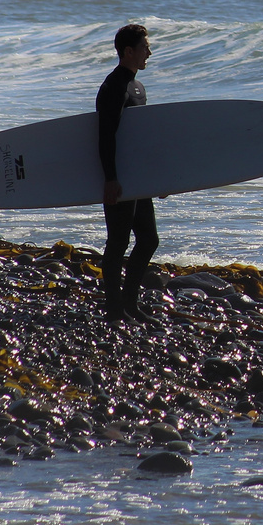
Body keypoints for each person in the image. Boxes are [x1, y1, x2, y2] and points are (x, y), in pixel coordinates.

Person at [97, 23, 157, 321]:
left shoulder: (138, 86)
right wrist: (110, 178)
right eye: (145, 47)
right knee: (118, 242)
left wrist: (157, 179)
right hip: (120, 178)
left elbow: (140, 140)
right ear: (129, 51)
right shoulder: (113, 87)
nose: (150, 52)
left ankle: (129, 304)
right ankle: (114, 308)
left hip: (137, 178)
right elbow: (106, 135)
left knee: (149, 240)